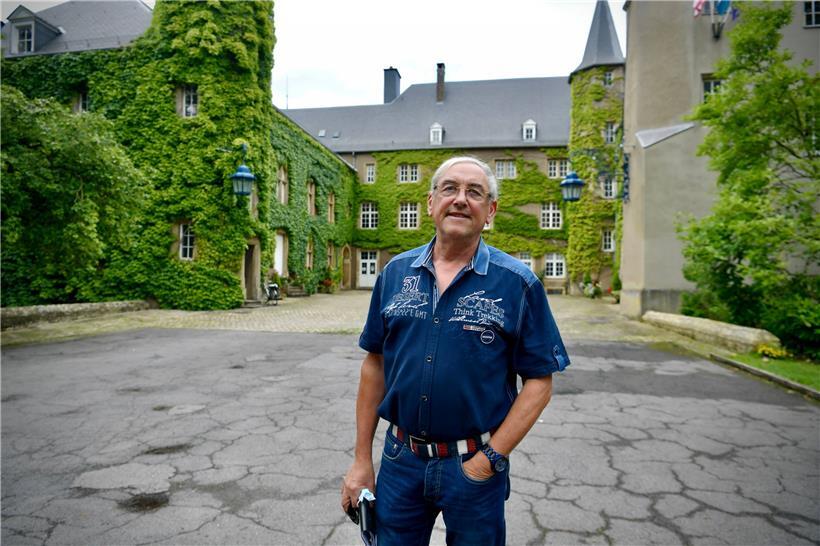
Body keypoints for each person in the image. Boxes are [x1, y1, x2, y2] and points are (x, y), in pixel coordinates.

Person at [341, 156, 570, 545]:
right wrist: (362, 459)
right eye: (450, 189)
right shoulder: (394, 274)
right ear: (431, 203)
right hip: (401, 461)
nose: (461, 199)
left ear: (490, 212)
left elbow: (539, 382)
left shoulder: (518, 283)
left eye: (474, 192)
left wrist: (489, 460)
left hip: (474, 466)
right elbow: (374, 366)